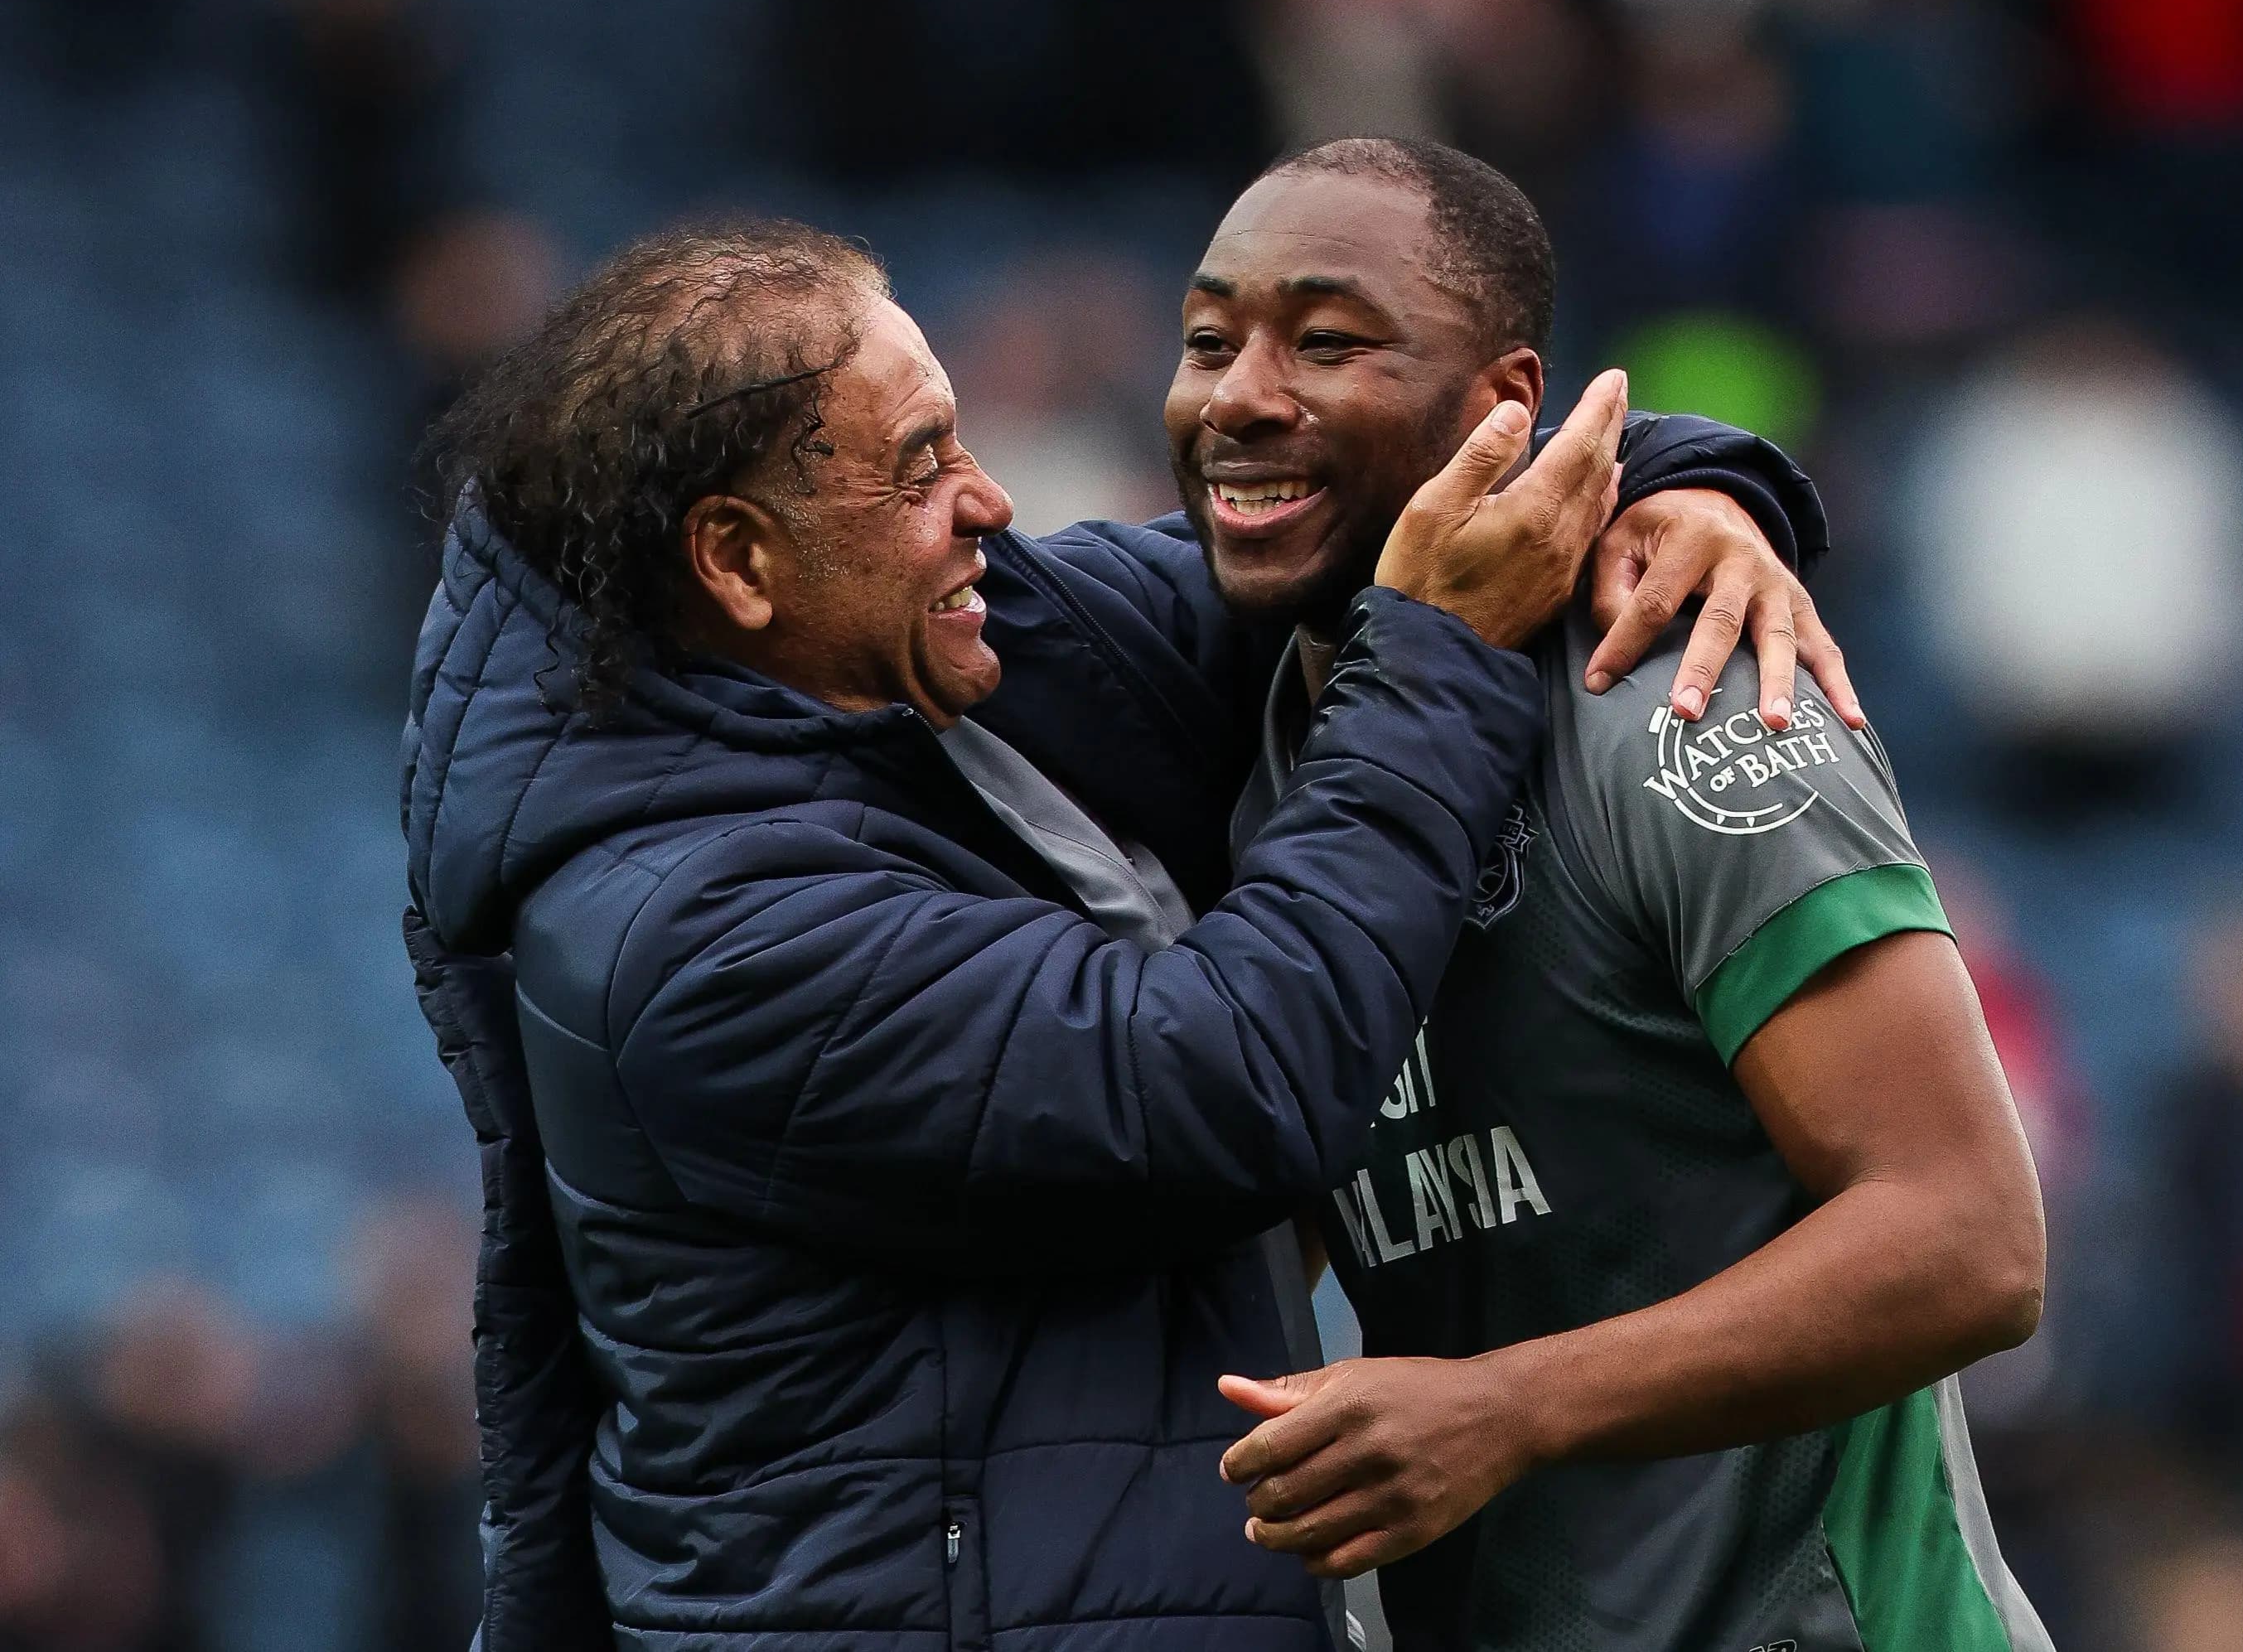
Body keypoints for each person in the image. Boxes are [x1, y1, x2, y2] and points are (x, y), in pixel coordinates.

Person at [400, 218, 1833, 1649]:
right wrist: (1439, 658)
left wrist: (1681, 492)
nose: (989, 502)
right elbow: (1228, 1081)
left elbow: (1342, 536)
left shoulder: (928, 651)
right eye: (920, 464)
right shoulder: (690, 934)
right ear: (737, 558)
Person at [1196, 140, 2053, 1651]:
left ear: (1502, 410)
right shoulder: (1254, 784)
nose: (1241, 393)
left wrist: (1504, 1411)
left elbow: (1968, 1238)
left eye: (1327, 341)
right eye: (1210, 340)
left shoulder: (1686, 700)